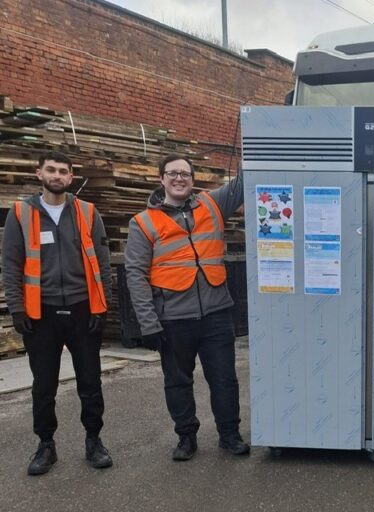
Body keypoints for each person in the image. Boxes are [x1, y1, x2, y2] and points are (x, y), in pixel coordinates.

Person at [125, 154, 248, 461]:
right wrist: (148, 324)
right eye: (172, 173)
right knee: (178, 382)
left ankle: (229, 435)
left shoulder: (212, 204)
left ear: (193, 180)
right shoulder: (143, 222)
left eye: (185, 174)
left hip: (216, 314)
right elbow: (136, 275)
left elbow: (243, 184)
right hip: (173, 318)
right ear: (161, 178)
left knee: (224, 379)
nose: (179, 178)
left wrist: (253, 140)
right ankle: (186, 438)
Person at [2, 151, 113, 475]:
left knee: (91, 382)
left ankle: (94, 441)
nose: (57, 175)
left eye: (63, 171)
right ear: (39, 173)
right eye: (51, 169)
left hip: (82, 309)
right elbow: (10, 265)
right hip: (41, 313)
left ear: (71, 177)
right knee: (44, 385)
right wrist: (17, 308)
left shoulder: (88, 212)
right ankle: (45, 445)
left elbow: (103, 263)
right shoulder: (21, 213)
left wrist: (101, 306)